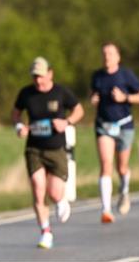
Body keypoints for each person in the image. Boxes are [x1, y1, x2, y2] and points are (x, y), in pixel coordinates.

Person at [12, 57, 85, 250]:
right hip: (34, 148)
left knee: (53, 192)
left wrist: (67, 122)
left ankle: (61, 201)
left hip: (56, 148)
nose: (38, 80)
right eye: (35, 77)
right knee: (37, 186)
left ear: (50, 74)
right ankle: (45, 231)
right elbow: (16, 112)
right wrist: (19, 126)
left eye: (41, 76)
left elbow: (79, 110)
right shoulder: (26, 93)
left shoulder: (61, 92)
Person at [90, 43, 139, 223]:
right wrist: (93, 99)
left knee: (121, 167)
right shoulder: (97, 76)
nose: (106, 57)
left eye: (110, 53)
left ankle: (124, 190)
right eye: (104, 53)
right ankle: (106, 209)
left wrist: (125, 98)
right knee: (105, 163)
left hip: (124, 125)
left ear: (118, 57)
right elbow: (93, 95)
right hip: (104, 125)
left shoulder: (126, 75)